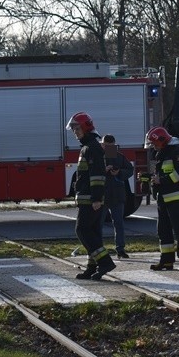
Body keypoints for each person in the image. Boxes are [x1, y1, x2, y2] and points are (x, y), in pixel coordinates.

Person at [66, 112, 116, 280]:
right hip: (88, 198)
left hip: (90, 199)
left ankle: (105, 262)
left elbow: (97, 176)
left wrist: (95, 198)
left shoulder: (91, 147)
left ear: (86, 127)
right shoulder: (89, 146)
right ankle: (92, 266)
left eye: (77, 128)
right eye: (73, 129)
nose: (75, 132)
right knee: (92, 233)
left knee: (82, 230)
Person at [146, 126, 179, 271]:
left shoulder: (177, 153)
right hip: (162, 199)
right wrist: (150, 179)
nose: (153, 146)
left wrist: (161, 180)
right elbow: (160, 174)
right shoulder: (161, 154)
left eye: (155, 143)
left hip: (175, 199)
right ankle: (166, 261)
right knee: (163, 230)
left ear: (163, 140)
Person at [100, 134, 134, 259]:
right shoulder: (97, 156)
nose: (109, 149)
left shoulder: (119, 157)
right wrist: (103, 170)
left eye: (111, 146)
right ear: (102, 145)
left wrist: (119, 172)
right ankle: (98, 250)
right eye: (106, 146)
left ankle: (120, 249)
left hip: (117, 195)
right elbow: (90, 172)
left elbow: (130, 169)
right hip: (102, 195)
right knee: (98, 224)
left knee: (119, 223)